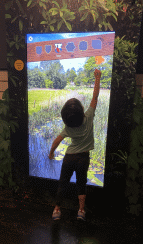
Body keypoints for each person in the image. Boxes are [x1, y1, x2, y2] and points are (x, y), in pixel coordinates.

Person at [49, 69, 102, 221]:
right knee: (81, 183)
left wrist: (51, 153)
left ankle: (57, 210)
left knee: (63, 183)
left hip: (69, 158)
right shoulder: (88, 117)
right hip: (83, 158)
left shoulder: (67, 128)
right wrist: (97, 78)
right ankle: (81, 211)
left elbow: (56, 141)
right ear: (81, 112)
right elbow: (95, 97)